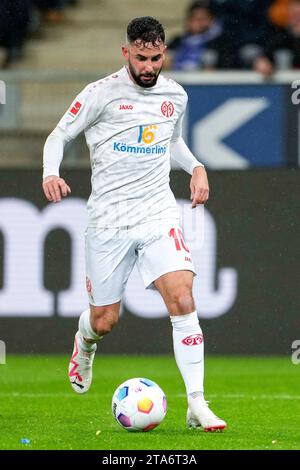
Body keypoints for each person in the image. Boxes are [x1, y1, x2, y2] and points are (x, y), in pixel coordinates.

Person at [42, 16, 226, 432]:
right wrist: (49, 172)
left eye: (156, 58)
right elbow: (59, 135)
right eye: (141, 58)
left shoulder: (175, 96)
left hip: (157, 212)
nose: (148, 66)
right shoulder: (100, 94)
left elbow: (171, 140)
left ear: (165, 54)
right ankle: (84, 343)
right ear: (126, 52)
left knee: (182, 296)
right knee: (105, 319)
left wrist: (196, 167)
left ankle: (197, 403)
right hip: (108, 219)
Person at [165, 1, 235, 71]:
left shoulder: (221, 43)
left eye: (204, 19)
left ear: (212, 21)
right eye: (196, 18)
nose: (200, 23)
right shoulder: (177, 41)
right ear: (188, 21)